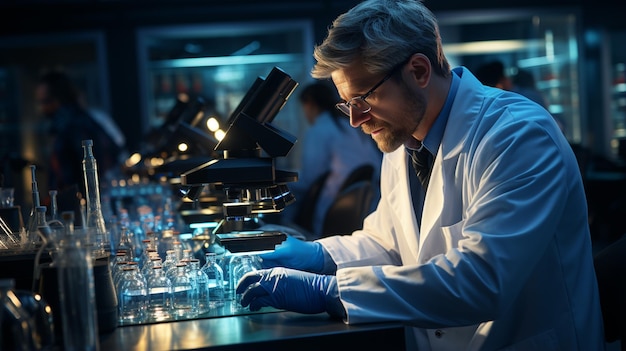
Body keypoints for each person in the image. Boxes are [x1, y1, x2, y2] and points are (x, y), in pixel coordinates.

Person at [235, 0, 605, 350]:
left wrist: (331, 291)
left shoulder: (517, 135)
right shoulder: (404, 141)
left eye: (362, 99)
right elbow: (389, 244)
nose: (354, 119)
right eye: (346, 104)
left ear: (418, 71)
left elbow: (482, 281)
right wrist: (320, 256)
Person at [282, 81, 382, 238]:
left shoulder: (320, 130)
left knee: (285, 210)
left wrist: (281, 182)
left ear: (309, 104)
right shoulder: (352, 127)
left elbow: (310, 178)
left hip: (333, 209)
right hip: (365, 207)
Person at [36, 70, 123, 195]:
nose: (42, 108)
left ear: (58, 99)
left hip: (82, 201)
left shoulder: (73, 125)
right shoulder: (74, 122)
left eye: (46, 101)